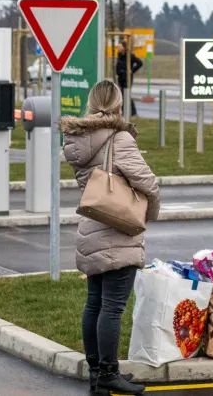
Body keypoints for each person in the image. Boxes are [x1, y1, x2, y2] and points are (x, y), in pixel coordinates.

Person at [61, 80, 160, 396]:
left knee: (94, 303)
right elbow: (147, 181)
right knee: (113, 307)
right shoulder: (119, 139)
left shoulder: (79, 140)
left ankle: (95, 372)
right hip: (118, 228)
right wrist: (149, 211)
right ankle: (108, 372)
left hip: (91, 227)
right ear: (118, 106)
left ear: (90, 105)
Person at [116, 41, 144, 117]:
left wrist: (131, 71)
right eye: (118, 47)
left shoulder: (129, 56)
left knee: (127, 95)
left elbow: (140, 63)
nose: (118, 48)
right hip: (120, 78)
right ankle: (123, 112)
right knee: (121, 95)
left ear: (124, 47)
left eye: (120, 47)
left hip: (127, 78)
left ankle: (133, 112)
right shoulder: (119, 56)